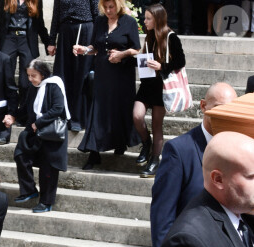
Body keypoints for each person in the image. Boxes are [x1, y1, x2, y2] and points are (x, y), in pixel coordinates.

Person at [150, 82, 236, 247]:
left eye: (231, 109)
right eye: (219, 108)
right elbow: (162, 216)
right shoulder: (179, 151)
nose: (226, 115)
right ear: (204, 106)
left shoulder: (239, 149)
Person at [73, 0, 141, 170]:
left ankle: (120, 143)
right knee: (99, 110)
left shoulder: (129, 22)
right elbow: (96, 47)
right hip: (103, 71)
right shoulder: (100, 21)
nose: (109, 10)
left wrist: (121, 54)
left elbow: (137, 49)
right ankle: (94, 153)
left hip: (122, 74)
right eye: (106, 7)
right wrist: (85, 50)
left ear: (118, 6)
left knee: (119, 108)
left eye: (112, 7)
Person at [133, 4, 186, 178]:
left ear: (157, 19)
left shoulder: (171, 37)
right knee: (137, 115)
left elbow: (180, 62)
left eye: (148, 18)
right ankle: (146, 143)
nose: (145, 21)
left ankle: (154, 161)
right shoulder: (149, 36)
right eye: (145, 18)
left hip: (162, 87)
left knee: (157, 124)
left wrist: (161, 66)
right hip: (147, 85)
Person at [14, 60, 70, 213]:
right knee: (20, 155)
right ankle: (29, 190)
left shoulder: (53, 85)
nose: (30, 79)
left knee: (48, 168)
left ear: (43, 74)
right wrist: (13, 116)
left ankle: (46, 202)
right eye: (28, 76)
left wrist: (39, 122)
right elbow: (26, 107)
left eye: (34, 75)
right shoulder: (34, 87)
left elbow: (58, 108)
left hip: (51, 133)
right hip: (34, 131)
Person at [47, 0, 98, 133]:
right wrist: (52, 40)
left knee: (81, 75)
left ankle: (78, 118)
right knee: (63, 75)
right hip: (65, 32)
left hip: (86, 30)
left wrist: (98, 41)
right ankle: (63, 115)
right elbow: (56, 14)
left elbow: (97, 14)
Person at [0, 0, 49, 113]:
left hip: (26, 40)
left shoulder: (36, 1)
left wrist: (48, 43)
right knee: (7, 75)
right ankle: (9, 110)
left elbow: (39, 23)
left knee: (26, 81)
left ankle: (23, 112)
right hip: (9, 38)